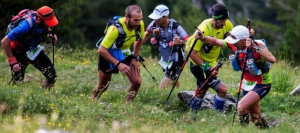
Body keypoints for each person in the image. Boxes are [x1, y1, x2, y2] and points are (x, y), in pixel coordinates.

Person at [195, 25, 276, 128]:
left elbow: (272, 59)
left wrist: (255, 47)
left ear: (244, 40)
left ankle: (243, 130)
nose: (234, 45)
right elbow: (216, 42)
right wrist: (203, 38)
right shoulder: (235, 45)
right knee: (255, 118)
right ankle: (265, 129)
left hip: (262, 83)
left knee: (241, 107)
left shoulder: (257, 45)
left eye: (236, 42)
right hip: (247, 84)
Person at [185, 3, 233, 112]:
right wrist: (207, 68)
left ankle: (192, 115)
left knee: (201, 90)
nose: (224, 23)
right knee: (222, 89)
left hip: (211, 62)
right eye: (221, 20)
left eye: (226, 19)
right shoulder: (204, 29)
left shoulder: (227, 25)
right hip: (197, 63)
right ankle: (218, 116)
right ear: (214, 19)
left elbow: (234, 39)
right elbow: (192, 53)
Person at [92, 5, 145, 104]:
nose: (138, 23)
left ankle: (127, 104)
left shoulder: (139, 24)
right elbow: (101, 50)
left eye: (140, 20)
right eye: (135, 20)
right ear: (127, 17)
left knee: (137, 82)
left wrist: (134, 58)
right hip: (109, 52)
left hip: (125, 52)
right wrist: (118, 64)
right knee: (104, 85)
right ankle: (94, 100)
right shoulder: (115, 29)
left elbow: (139, 39)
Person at [1, 6, 58, 88]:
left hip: (33, 50)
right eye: (47, 22)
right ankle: (15, 99)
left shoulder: (42, 23)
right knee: (18, 82)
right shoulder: (24, 27)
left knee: (52, 76)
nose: (49, 24)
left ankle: (42, 97)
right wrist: (12, 62)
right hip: (19, 52)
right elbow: (5, 41)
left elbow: (46, 27)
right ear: (39, 20)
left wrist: (50, 33)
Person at [142, 4, 189, 89]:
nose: (156, 20)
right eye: (154, 18)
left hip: (177, 59)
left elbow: (189, 41)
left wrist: (181, 42)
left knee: (162, 87)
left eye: (158, 18)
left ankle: (161, 98)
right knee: (173, 81)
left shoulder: (176, 26)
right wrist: (136, 49)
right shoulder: (154, 24)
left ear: (166, 17)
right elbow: (145, 35)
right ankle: (179, 93)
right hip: (165, 59)